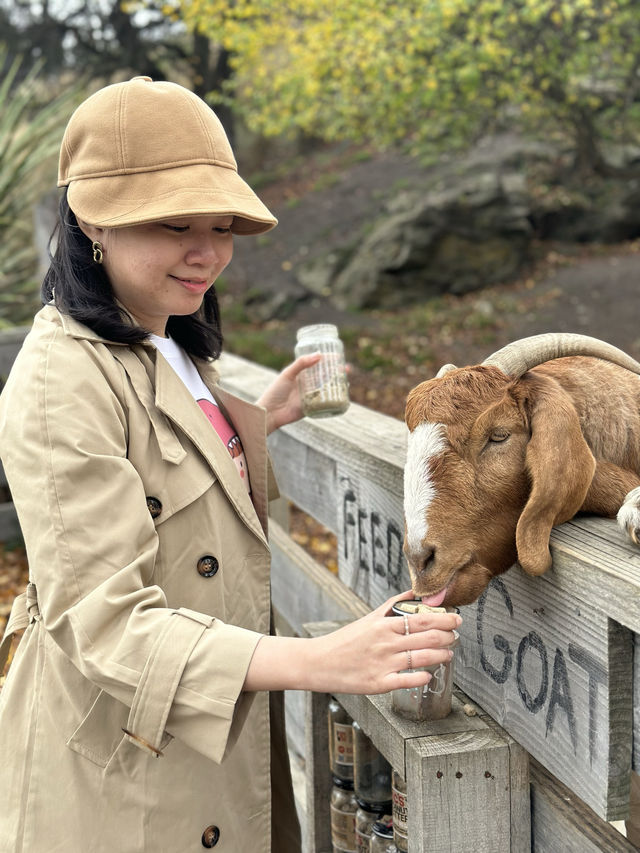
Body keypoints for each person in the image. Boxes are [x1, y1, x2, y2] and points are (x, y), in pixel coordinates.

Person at [0, 77, 461, 852]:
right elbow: (108, 624)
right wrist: (322, 660)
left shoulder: (161, 336)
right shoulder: (59, 377)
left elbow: (165, 465)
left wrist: (249, 422)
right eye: (174, 223)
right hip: (124, 783)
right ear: (91, 221)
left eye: (222, 224)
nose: (207, 251)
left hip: (208, 756)